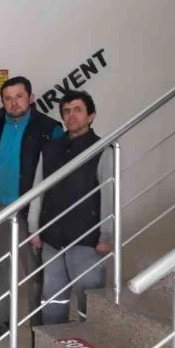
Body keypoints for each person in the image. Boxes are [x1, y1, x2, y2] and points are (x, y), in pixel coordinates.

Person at [0, 78, 63, 348]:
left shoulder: (49, 129)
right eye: (8, 98)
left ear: (31, 97)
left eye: (19, 96)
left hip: (32, 209)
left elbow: (57, 173)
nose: (13, 102)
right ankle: (0, 321)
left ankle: (39, 332)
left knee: (36, 273)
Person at [28, 90, 113, 327]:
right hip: (52, 238)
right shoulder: (50, 149)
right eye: (66, 111)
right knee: (52, 298)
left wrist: (107, 235)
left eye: (77, 110)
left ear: (91, 116)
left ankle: (91, 345)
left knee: (89, 300)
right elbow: (38, 189)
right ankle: (51, 344)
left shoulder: (102, 149)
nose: (71, 115)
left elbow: (109, 194)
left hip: (87, 239)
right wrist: (34, 228)